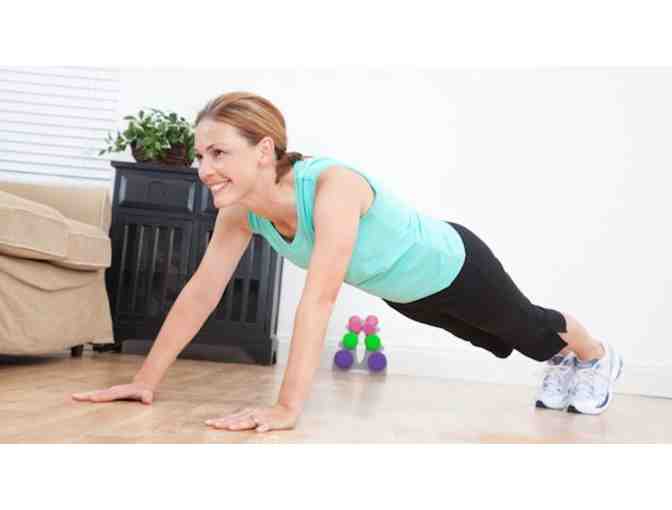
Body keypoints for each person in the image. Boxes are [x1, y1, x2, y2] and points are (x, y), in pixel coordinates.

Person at [72, 92, 624, 432]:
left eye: (219, 153)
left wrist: (287, 407)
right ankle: (562, 360)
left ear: (263, 150)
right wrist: (144, 379)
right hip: (407, 293)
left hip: (456, 265)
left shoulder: (331, 186)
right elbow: (201, 293)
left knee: (527, 328)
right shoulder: (241, 212)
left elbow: (320, 299)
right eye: (201, 154)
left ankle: (596, 355)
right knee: (498, 342)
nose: (204, 169)